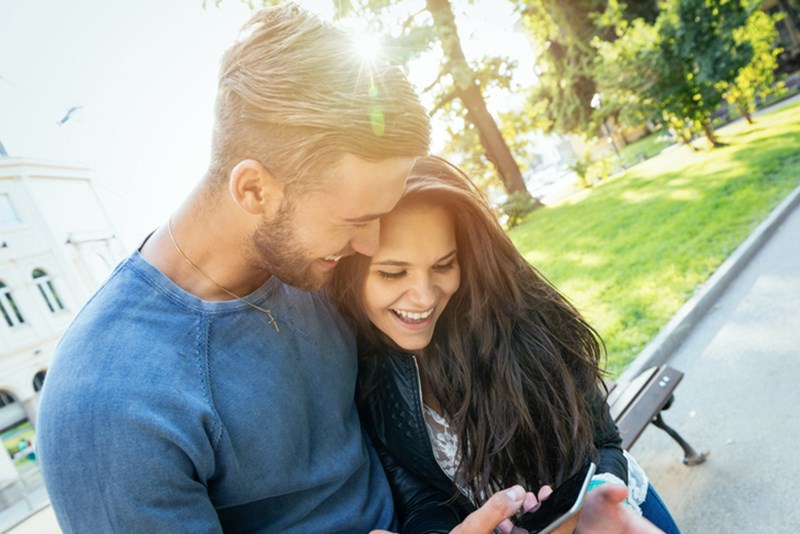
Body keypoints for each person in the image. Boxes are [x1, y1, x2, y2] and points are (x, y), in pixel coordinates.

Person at [34, 4, 437, 532]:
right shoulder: (107, 405)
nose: (371, 245)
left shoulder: (313, 259)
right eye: (356, 220)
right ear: (253, 190)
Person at [329, 156, 682, 534]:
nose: (424, 296)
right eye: (392, 272)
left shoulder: (525, 316)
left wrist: (597, 500)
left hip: (616, 515)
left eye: (444, 265)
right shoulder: (359, 365)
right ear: (352, 270)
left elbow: (604, 442)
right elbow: (420, 496)